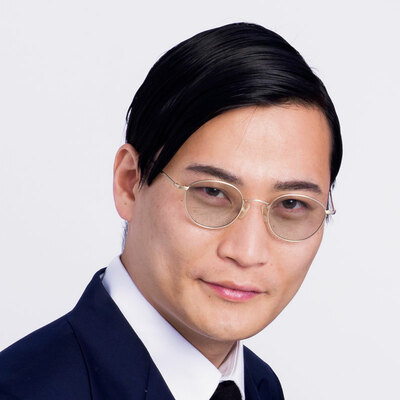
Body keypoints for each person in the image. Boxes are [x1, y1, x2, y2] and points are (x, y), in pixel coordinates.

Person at [0, 22, 342, 400]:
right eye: (213, 192)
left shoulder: (259, 387)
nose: (247, 252)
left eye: (292, 204)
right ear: (129, 183)